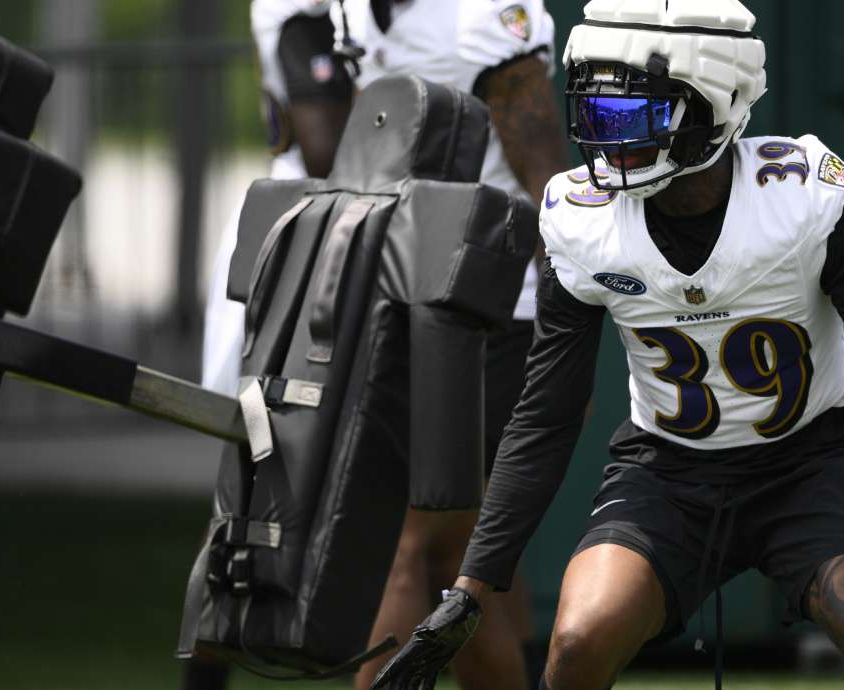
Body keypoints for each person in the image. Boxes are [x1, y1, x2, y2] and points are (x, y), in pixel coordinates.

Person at [370, 2, 844, 690]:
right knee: (576, 641)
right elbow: (546, 416)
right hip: (665, 474)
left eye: (631, 116)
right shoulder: (580, 220)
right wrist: (472, 586)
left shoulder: (802, 196)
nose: (606, 141)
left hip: (808, 465)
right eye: (596, 115)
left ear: (711, 105)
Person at [196, 2, 567, 689]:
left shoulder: (479, 13)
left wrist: (568, 291)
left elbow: (542, 160)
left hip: (481, 309)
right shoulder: (336, 13)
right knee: (460, 558)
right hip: (395, 301)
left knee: (402, 544)